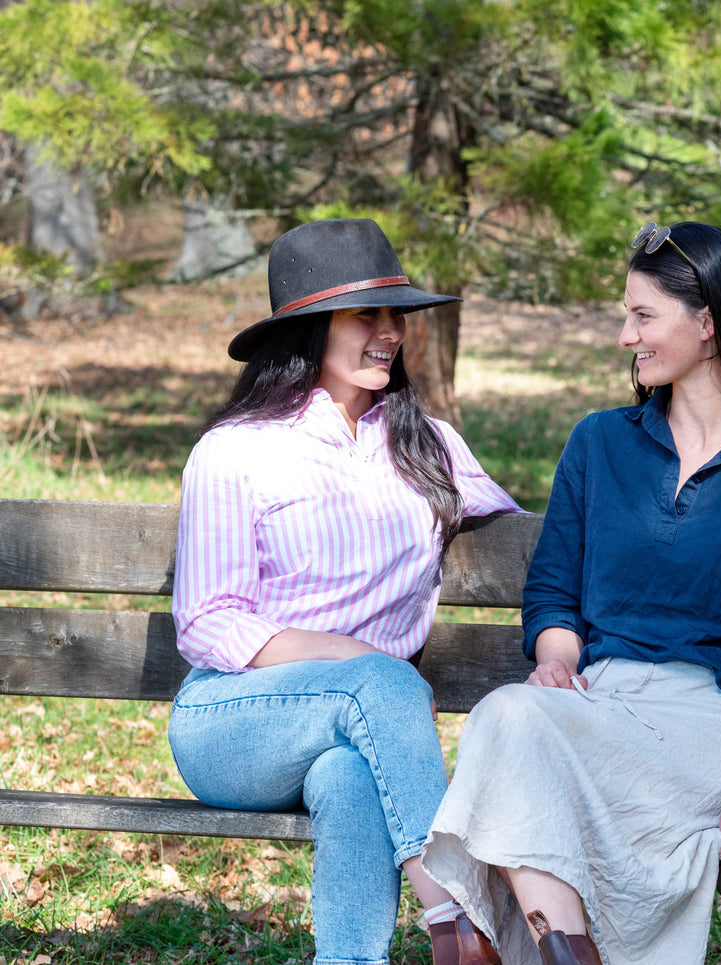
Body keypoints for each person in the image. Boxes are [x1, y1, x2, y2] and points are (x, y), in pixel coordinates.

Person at [421, 221, 721, 965]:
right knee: (515, 714)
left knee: (515, 729)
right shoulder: (600, 442)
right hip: (598, 703)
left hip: (709, 727)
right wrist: (556, 656)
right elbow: (553, 590)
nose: (625, 336)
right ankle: (568, 952)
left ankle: (480, 939)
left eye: (643, 315)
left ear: (708, 324)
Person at [167, 218, 521, 965]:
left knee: (352, 777)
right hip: (233, 724)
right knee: (379, 683)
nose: (391, 332)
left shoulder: (429, 444)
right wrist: (359, 660)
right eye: (368, 314)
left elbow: (540, 546)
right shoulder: (237, 451)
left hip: (360, 732)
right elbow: (208, 622)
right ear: (308, 330)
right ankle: (460, 923)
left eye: (397, 315)